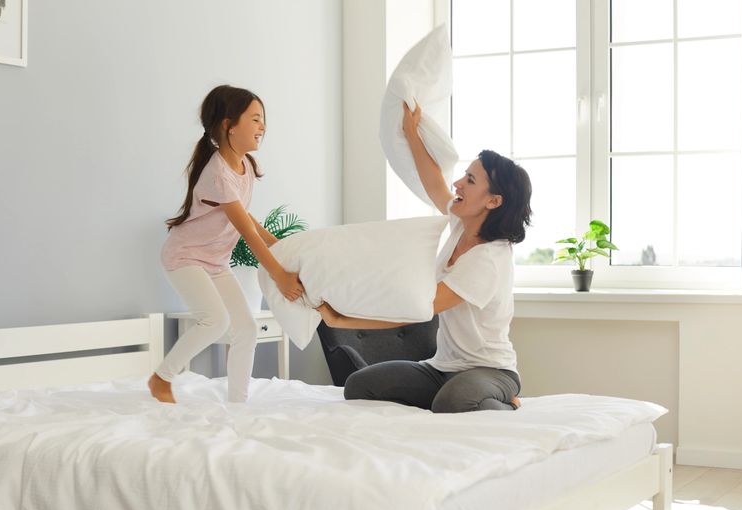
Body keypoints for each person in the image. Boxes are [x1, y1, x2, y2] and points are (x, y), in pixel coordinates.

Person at [317, 102, 532, 413]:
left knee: (453, 401)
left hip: (491, 371)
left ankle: (507, 405)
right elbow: (434, 183)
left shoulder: (489, 259)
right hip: (441, 369)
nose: (458, 183)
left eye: (470, 181)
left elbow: (419, 308)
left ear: (494, 201)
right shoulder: (461, 225)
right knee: (358, 385)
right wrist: (412, 134)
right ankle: (459, 397)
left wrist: (342, 319)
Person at [149, 85, 303, 404]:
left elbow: (247, 218)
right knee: (215, 320)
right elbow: (244, 230)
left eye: (264, 120)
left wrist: (282, 246)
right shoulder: (219, 172)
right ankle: (161, 378)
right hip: (185, 258)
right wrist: (279, 274)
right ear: (228, 125)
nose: (263, 127)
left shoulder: (244, 165)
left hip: (215, 262)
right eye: (256, 119)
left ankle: (237, 403)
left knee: (246, 328)